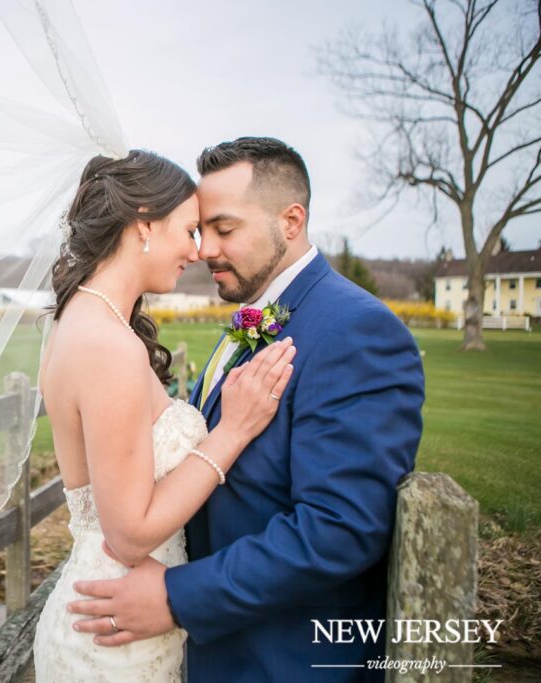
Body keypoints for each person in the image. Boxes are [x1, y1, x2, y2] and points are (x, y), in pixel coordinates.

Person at [67, 137, 426, 682]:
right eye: (199, 229)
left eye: (224, 229)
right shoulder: (250, 320)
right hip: (214, 650)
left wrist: (176, 596)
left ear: (290, 220)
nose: (205, 248)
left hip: (285, 660)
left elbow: (340, 526)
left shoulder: (357, 331)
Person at [32, 148, 297, 681]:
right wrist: (233, 431)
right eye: (189, 230)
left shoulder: (76, 321)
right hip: (117, 633)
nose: (197, 251)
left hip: (110, 608)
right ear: (144, 224)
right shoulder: (109, 346)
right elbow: (129, 533)